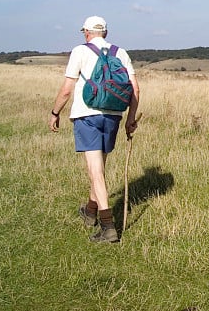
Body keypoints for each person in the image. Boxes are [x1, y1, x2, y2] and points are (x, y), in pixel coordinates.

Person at [48, 16, 140, 243]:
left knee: (95, 171)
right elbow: (135, 89)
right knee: (98, 169)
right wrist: (130, 120)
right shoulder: (121, 52)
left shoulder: (80, 51)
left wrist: (55, 112)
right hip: (112, 116)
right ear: (106, 33)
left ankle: (108, 227)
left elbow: (67, 89)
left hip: (87, 116)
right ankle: (90, 212)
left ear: (86, 32)